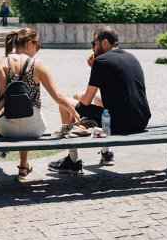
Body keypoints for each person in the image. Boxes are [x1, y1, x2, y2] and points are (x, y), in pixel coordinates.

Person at [0, 28, 81, 180]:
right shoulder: (38, 64)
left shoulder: (2, 62)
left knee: (15, 113)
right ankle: (23, 165)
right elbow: (58, 97)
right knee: (30, 111)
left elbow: (2, 97)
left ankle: (23, 164)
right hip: (34, 128)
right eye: (38, 46)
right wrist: (77, 117)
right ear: (30, 43)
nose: (37, 50)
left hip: (8, 129)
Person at [48, 25, 152, 174]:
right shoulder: (131, 57)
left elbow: (85, 100)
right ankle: (107, 153)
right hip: (141, 120)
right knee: (99, 100)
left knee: (65, 103)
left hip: (121, 123)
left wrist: (77, 95)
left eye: (94, 43)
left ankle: (72, 160)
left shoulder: (101, 61)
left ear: (104, 43)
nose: (92, 48)